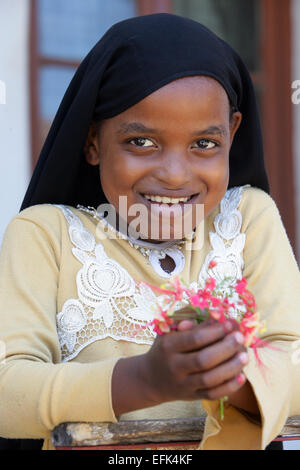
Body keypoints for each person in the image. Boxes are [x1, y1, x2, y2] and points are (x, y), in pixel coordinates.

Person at [0, 13, 299, 451]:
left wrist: (224, 375)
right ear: (92, 141)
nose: (175, 175)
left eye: (204, 144)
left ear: (232, 134)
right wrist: (144, 380)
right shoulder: (47, 236)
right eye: (142, 142)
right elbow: (7, 390)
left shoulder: (248, 220)